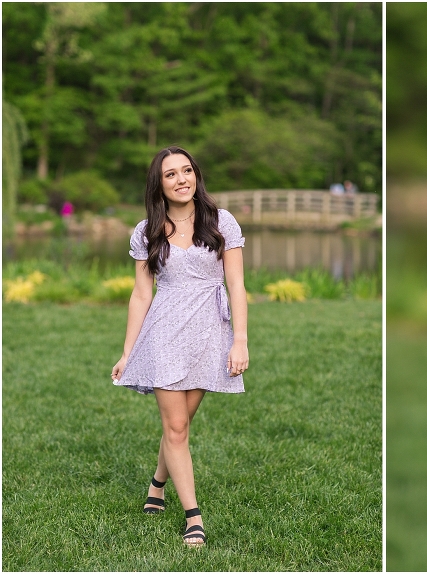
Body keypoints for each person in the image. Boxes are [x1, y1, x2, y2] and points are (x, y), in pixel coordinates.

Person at [111, 145, 249, 547]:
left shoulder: (222, 221)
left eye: (186, 170)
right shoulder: (146, 230)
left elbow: (237, 286)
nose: (181, 179)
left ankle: (157, 482)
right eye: (170, 174)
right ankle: (193, 517)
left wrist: (239, 340)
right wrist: (127, 351)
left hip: (210, 331)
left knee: (181, 423)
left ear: (196, 175)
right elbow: (141, 295)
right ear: (160, 184)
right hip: (165, 332)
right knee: (175, 426)